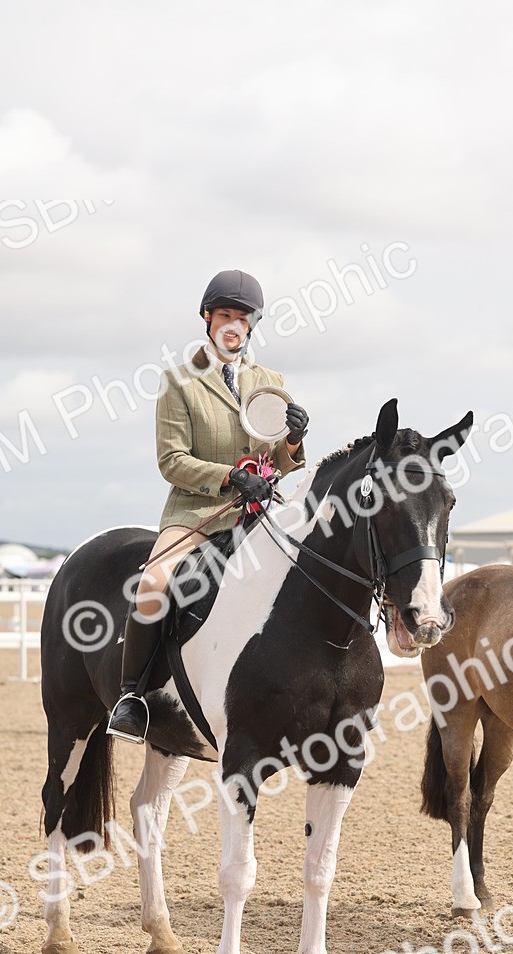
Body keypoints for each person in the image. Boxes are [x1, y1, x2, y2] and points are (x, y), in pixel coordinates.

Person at [107, 269, 310, 741]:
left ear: (252, 325)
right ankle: (132, 696)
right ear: (207, 318)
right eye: (224, 315)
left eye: (242, 318)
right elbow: (172, 460)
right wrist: (229, 477)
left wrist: (295, 442)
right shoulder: (179, 381)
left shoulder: (270, 380)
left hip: (261, 516)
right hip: (198, 516)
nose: (233, 325)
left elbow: (275, 458)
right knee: (154, 582)